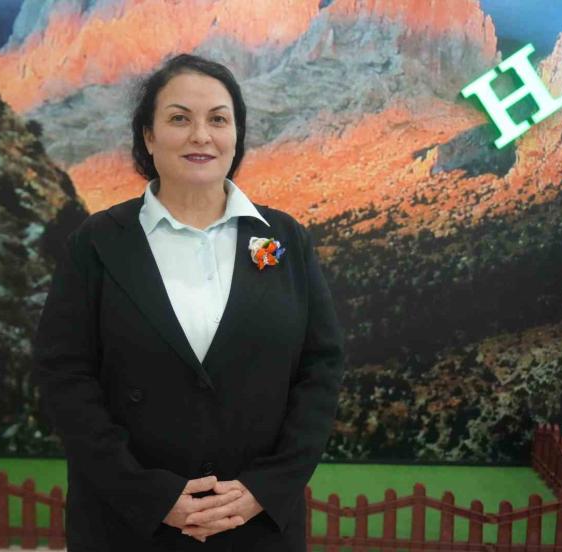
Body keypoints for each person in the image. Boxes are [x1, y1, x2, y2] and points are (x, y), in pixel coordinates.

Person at [32, 53, 345, 551]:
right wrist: (149, 496)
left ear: (236, 135)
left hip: (256, 526)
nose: (202, 135)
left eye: (218, 120)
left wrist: (264, 489)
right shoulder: (97, 242)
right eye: (180, 119)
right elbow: (65, 377)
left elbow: (320, 371)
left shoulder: (286, 238)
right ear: (148, 136)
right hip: (127, 525)